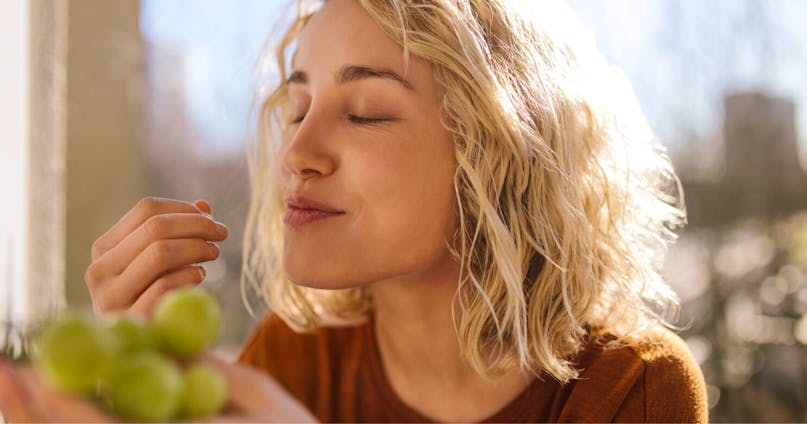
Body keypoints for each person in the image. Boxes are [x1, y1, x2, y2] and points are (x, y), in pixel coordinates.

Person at [0, 0, 708, 422]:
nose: (294, 154)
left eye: (364, 111)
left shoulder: (633, 389)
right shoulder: (289, 358)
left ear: (501, 152)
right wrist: (124, 389)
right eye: (296, 108)